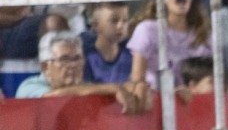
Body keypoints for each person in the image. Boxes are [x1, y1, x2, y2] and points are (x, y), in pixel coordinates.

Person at [16, 29, 151, 112]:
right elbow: (53, 97)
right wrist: (117, 88)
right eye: (65, 59)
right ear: (46, 67)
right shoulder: (29, 86)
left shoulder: (87, 87)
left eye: (77, 58)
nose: (73, 65)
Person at [128, 0, 213, 88]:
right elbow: (137, 81)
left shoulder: (204, 34)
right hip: (155, 99)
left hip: (194, 101)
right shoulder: (147, 30)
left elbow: (209, 80)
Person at [81, 1, 133, 84]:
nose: (120, 26)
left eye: (125, 21)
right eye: (114, 21)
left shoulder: (132, 52)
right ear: (95, 25)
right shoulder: (85, 56)